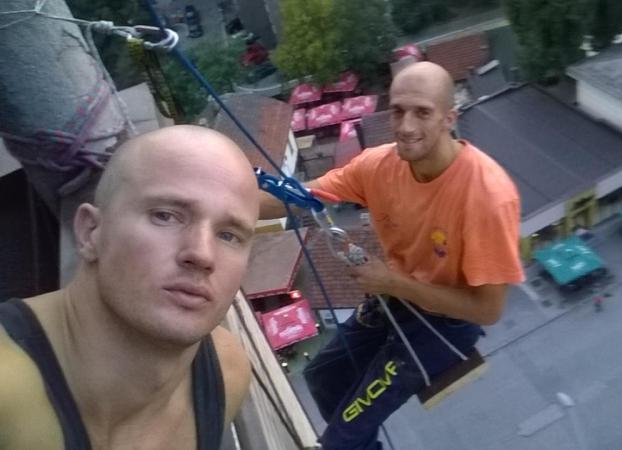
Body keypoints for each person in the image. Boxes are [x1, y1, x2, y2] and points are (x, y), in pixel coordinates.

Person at [259, 62, 524, 449]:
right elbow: (301, 197)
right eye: (398, 111)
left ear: (449, 118)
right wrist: (226, 200)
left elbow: (487, 310)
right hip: (395, 298)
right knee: (321, 377)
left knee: (340, 440)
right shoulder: (379, 166)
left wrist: (392, 283)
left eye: (422, 113)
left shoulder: (486, 197)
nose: (406, 126)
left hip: (444, 325)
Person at [0, 125, 259, 449]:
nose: (202, 254)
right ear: (90, 231)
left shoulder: (227, 372)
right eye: (165, 216)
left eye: (229, 235)